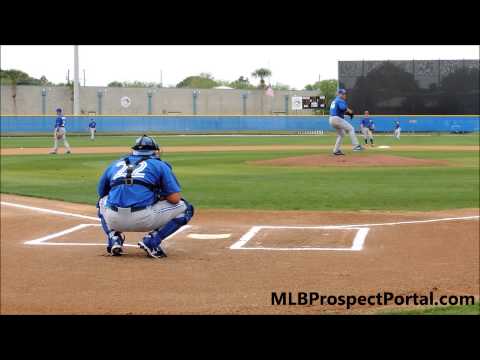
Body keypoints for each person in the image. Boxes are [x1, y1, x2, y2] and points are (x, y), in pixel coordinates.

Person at [96, 135, 194, 259]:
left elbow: (102, 193)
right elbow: (174, 199)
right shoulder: (160, 165)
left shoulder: (115, 164)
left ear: (134, 150)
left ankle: (113, 238)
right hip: (143, 219)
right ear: (154, 150)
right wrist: (158, 195)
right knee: (186, 208)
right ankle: (152, 241)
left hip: (113, 219)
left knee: (101, 202)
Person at [328, 89, 363, 155]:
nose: (344, 95)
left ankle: (336, 151)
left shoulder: (335, 100)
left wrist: (348, 113)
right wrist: (350, 111)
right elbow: (342, 108)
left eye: (344, 94)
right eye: (342, 94)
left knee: (342, 134)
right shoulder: (340, 100)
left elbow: (340, 110)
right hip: (337, 119)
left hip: (331, 119)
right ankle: (356, 146)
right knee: (351, 129)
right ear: (339, 94)